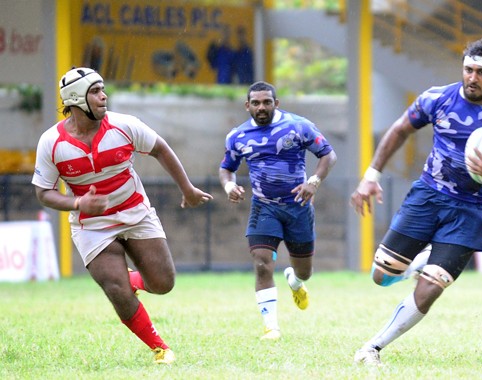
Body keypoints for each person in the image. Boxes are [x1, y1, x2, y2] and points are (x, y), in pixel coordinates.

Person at [349, 38, 482, 366]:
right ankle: (418, 263)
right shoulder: (438, 98)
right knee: (381, 276)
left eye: (481, 73)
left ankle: (372, 348)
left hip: (471, 210)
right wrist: (371, 176)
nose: (472, 78)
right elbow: (400, 129)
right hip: (428, 197)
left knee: (432, 287)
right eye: (468, 69)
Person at [32, 67, 213, 364]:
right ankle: (160, 348)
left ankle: (134, 280)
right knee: (115, 287)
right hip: (92, 225)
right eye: (95, 91)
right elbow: (43, 193)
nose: (104, 96)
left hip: (135, 212)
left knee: (163, 283)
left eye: (103, 89)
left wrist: (188, 189)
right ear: (76, 99)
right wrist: (78, 204)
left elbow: (161, 149)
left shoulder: (124, 125)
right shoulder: (51, 143)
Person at [219, 81, 337, 341]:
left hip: (298, 207)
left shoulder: (298, 126)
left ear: (276, 104)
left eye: (267, 102)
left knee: (304, 271)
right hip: (264, 207)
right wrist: (229, 186)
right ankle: (271, 328)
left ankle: (295, 281)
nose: (262, 107)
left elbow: (328, 155)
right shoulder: (237, 136)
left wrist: (313, 182)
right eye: (256, 103)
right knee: (262, 263)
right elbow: (226, 166)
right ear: (247, 106)